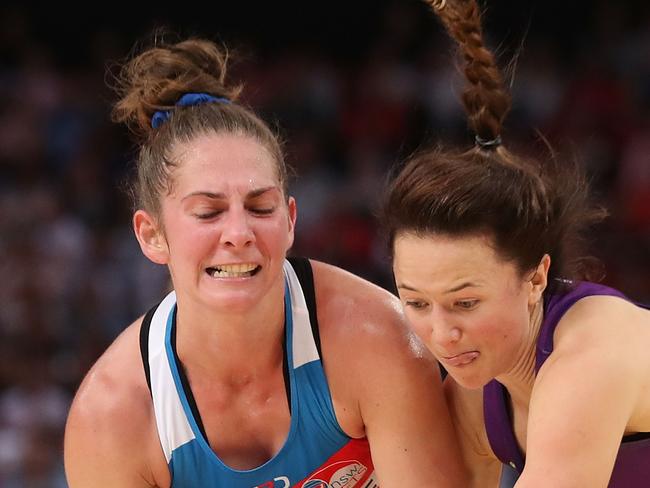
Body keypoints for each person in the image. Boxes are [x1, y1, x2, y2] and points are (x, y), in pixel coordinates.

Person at [63, 37, 467, 488]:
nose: (239, 233)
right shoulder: (110, 418)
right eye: (208, 212)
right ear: (152, 235)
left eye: (260, 207)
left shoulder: (377, 337)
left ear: (290, 221)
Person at [381, 0, 650, 487]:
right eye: (416, 302)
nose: (441, 334)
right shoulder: (476, 387)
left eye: (465, 302)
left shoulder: (594, 352)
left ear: (536, 277)